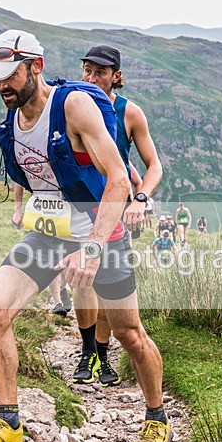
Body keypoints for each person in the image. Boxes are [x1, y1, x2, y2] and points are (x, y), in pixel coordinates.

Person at [0, 30, 171, 442]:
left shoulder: (74, 106)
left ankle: (156, 419)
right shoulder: (13, 120)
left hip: (102, 232)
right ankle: (8, 423)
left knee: (129, 333)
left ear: (35, 66)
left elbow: (115, 178)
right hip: (50, 235)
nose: (2, 86)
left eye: (9, 76)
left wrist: (92, 246)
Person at [71, 45, 164, 388]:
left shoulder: (130, 113)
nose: (91, 78)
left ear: (117, 77)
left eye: (100, 72)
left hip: (114, 210)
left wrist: (140, 198)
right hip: (78, 209)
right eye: (87, 71)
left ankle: (102, 353)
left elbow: (154, 165)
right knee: (81, 283)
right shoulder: (70, 107)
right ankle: (87, 351)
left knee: (107, 289)